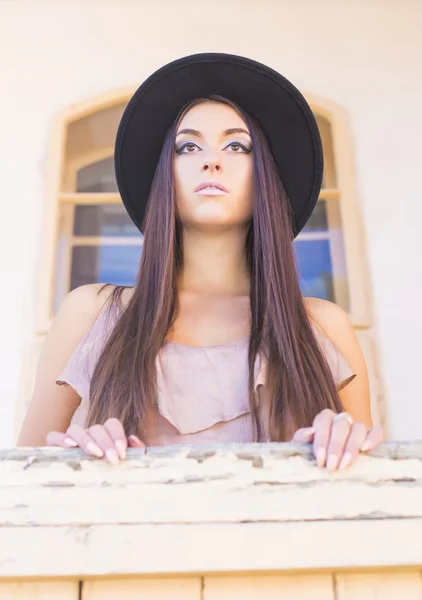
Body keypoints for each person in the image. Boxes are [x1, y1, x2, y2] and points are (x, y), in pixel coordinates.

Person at [17, 53, 383, 470]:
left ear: (265, 175)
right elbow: (19, 482)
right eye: (188, 146)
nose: (211, 160)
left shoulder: (322, 327)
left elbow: (366, 492)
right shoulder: (91, 313)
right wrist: (76, 460)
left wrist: (344, 445)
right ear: (164, 177)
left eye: (236, 145)